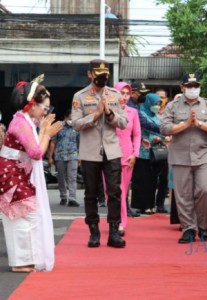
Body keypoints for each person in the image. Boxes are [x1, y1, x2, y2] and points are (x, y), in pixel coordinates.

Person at [0, 76, 62, 272]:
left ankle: (25, 260)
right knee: (24, 216)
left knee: (26, 216)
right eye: (45, 108)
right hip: (11, 174)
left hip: (17, 173)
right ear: (32, 105)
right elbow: (36, 153)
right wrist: (46, 134)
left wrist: (43, 131)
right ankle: (20, 262)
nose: (46, 113)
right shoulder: (21, 124)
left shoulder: (24, 121)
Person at [160, 73, 207, 243]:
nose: (193, 89)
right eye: (189, 86)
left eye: (196, 86)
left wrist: (200, 125)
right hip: (179, 156)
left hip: (203, 155)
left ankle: (203, 226)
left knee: (205, 190)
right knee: (183, 195)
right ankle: (188, 228)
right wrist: (185, 125)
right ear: (182, 87)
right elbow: (164, 128)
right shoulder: (173, 106)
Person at [72, 59, 127, 248]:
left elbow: (124, 122)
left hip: (112, 151)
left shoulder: (115, 95)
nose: (102, 79)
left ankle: (113, 231)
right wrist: (95, 115)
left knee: (114, 192)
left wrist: (110, 113)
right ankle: (94, 232)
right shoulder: (79, 96)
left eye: (105, 76)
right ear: (90, 74)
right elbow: (76, 124)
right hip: (89, 152)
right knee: (91, 194)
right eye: (98, 75)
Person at [131, 93, 166, 214]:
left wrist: (159, 138)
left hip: (154, 152)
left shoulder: (157, 116)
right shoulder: (140, 114)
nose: (156, 106)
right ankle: (142, 205)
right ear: (148, 103)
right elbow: (145, 127)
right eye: (155, 104)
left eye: (158, 104)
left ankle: (150, 205)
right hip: (142, 151)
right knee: (142, 180)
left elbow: (163, 132)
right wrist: (161, 131)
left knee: (152, 180)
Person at [114, 81, 141, 236]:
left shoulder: (133, 112)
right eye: (121, 93)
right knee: (113, 191)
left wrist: (135, 154)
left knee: (122, 192)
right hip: (110, 156)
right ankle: (118, 221)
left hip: (127, 156)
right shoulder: (108, 111)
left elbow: (137, 134)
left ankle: (119, 221)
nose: (124, 96)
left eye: (127, 93)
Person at [48, 109, 80, 207]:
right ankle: (63, 196)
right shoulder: (58, 126)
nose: (72, 119)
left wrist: (81, 156)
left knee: (72, 177)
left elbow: (80, 142)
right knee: (61, 177)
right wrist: (50, 157)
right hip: (60, 156)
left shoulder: (77, 127)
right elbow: (53, 142)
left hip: (73, 155)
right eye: (70, 117)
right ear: (65, 117)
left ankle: (72, 198)